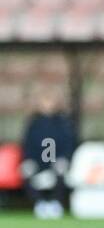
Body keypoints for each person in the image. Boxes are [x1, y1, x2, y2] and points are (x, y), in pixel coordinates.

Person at [21, 90, 77, 219]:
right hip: (38, 161)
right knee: (25, 170)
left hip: (57, 160)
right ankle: (39, 204)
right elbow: (27, 144)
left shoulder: (63, 122)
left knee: (61, 169)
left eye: (50, 101)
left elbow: (69, 143)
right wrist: (29, 160)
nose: (47, 105)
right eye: (44, 101)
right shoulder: (33, 123)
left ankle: (55, 203)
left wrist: (64, 158)